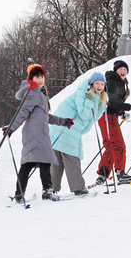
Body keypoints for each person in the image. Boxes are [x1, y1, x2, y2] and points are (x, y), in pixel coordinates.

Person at [8, 64, 73, 202]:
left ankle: (41, 191)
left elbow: (46, 116)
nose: (40, 79)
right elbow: (23, 113)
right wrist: (11, 128)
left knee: (41, 162)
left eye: (42, 76)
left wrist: (63, 121)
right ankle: (28, 192)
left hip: (41, 134)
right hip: (34, 134)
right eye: (37, 76)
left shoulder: (39, 93)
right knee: (30, 163)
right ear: (31, 78)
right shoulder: (32, 92)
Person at [50, 71, 108, 196]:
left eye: (102, 84)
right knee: (71, 157)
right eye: (97, 83)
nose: (99, 86)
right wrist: (89, 99)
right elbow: (85, 114)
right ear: (91, 84)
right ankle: (78, 188)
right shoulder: (84, 94)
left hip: (62, 127)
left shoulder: (95, 97)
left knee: (57, 160)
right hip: (67, 127)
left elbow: (93, 116)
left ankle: (50, 188)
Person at [95, 60, 131, 184]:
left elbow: (113, 103)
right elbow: (111, 101)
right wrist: (127, 107)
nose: (123, 71)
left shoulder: (118, 82)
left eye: (125, 69)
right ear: (116, 70)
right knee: (118, 145)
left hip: (105, 116)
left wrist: (121, 112)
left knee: (110, 146)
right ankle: (120, 172)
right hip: (108, 117)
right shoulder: (114, 82)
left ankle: (102, 175)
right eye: (121, 69)